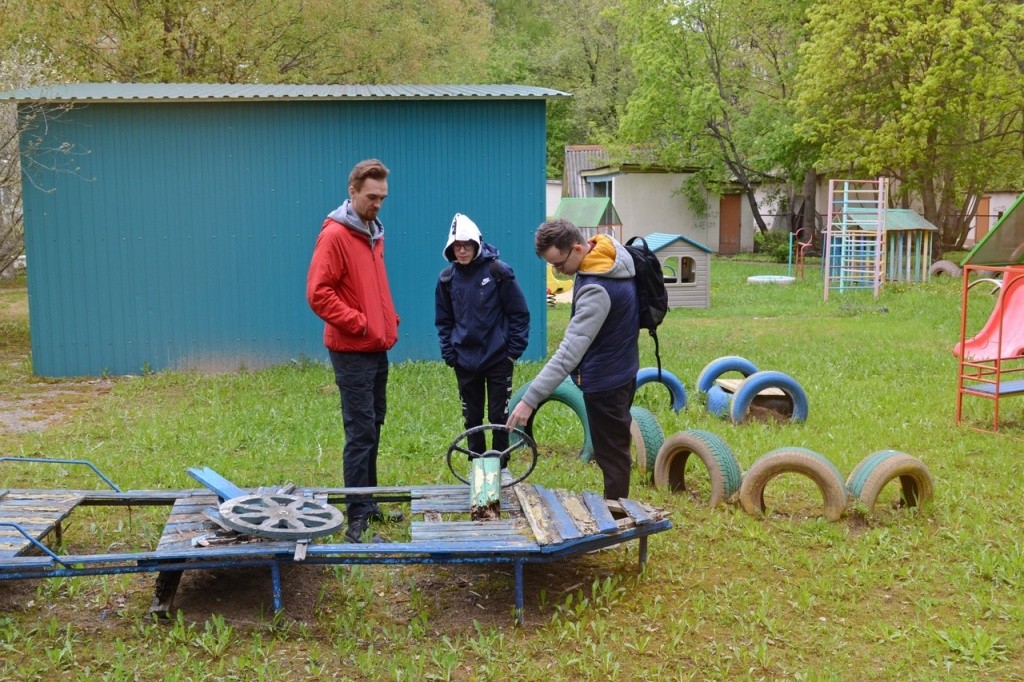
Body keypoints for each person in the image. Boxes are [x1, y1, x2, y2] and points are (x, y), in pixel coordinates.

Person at [506, 218, 639, 501]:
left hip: (606, 381)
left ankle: (617, 515)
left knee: (611, 455)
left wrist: (530, 399)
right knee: (614, 448)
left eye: (559, 263)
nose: (558, 271)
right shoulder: (606, 257)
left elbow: (568, 353)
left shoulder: (597, 288)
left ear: (578, 248)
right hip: (624, 368)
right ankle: (617, 508)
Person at [306, 158, 402, 543]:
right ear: (352, 192)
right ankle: (357, 512)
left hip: (376, 345)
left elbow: (370, 287)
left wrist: (387, 319)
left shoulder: (372, 232)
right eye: (371, 197)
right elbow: (318, 293)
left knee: (374, 424)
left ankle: (369, 501)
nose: (378, 204)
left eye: (382, 198)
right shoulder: (336, 235)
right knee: (360, 431)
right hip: (351, 348)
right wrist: (360, 322)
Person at [435, 213, 530, 456]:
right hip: (464, 360)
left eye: (467, 246)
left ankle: (501, 464)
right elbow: (444, 321)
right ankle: (477, 464)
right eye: (457, 246)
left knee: (499, 416)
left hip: (498, 358)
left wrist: (513, 352)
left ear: (477, 245)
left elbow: (519, 313)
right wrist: (449, 353)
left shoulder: (498, 272)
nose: (462, 251)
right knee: (472, 417)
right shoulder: (447, 279)